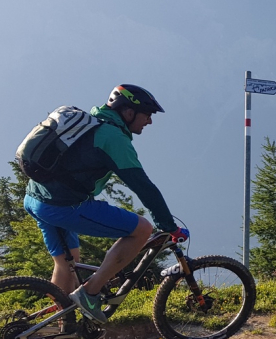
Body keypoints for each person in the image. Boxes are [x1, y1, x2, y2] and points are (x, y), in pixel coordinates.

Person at [23, 84, 188, 323]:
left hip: (35, 198)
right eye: (147, 114)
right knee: (142, 229)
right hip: (62, 206)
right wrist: (168, 225)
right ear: (128, 112)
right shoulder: (112, 137)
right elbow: (143, 186)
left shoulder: (90, 123)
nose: (150, 121)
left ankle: (55, 327)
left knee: (67, 264)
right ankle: (89, 293)